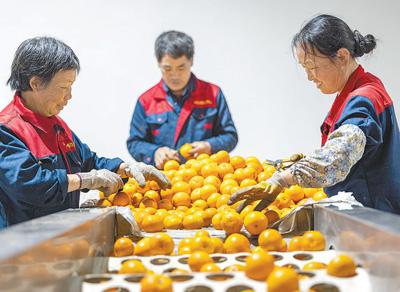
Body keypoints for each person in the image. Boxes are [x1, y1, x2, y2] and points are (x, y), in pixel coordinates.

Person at [229, 14, 400, 214]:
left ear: (342, 56)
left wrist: (283, 179)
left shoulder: (363, 98)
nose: (310, 76)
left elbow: (339, 155)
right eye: (305, 68)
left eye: (312, 66)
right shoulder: (365, 86)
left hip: (373, 217)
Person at [0, 37, 169, 228]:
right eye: (63, 87)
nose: (69, 96)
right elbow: (30, 185)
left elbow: (89, 162)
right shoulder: (7, 130)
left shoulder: (56, 125)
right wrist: (85, 179)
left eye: (71, 86)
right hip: (21, 247)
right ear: (35, 83)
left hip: (60, 238)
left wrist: (125, 168)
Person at [127, 30, 238, 169]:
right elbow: (134, 142)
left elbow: (230, 136)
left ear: (191, 61)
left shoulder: (213, 94)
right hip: (162, 180)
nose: (175, 75)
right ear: (158, 63)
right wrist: (155, 152)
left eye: (181, 67)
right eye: (167, 68)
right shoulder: (146, 101)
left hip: (206, 180)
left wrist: (210, 146)